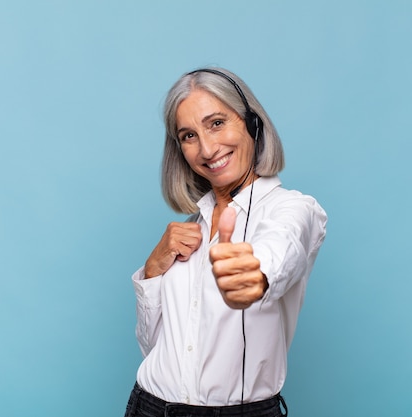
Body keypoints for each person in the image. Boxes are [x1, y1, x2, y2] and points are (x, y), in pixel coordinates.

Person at [124, 67, 327, 417]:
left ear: (252, 124)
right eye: (189, 135)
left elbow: (281, 249)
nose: (207, 148)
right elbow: (153, 348)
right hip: (148, 407)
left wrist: (253, 274)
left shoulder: (292, 209)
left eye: (216, 123)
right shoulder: (190, 229)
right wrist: (153, 271)